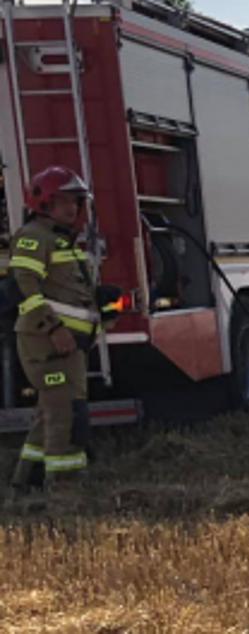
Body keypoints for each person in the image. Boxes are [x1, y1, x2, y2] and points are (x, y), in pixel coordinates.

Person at [8, 166, 105, 506]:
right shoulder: (34, 236)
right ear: (45, 203)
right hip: (46, 342)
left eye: (76, 202)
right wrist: (55, 329)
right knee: (65, 413)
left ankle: (25, 485)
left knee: (51, 412)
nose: (72, 209)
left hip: (68, 345)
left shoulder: (64, 240)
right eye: (64, 201)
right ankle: (63, 490)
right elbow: (26, 288)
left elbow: (72, 293)